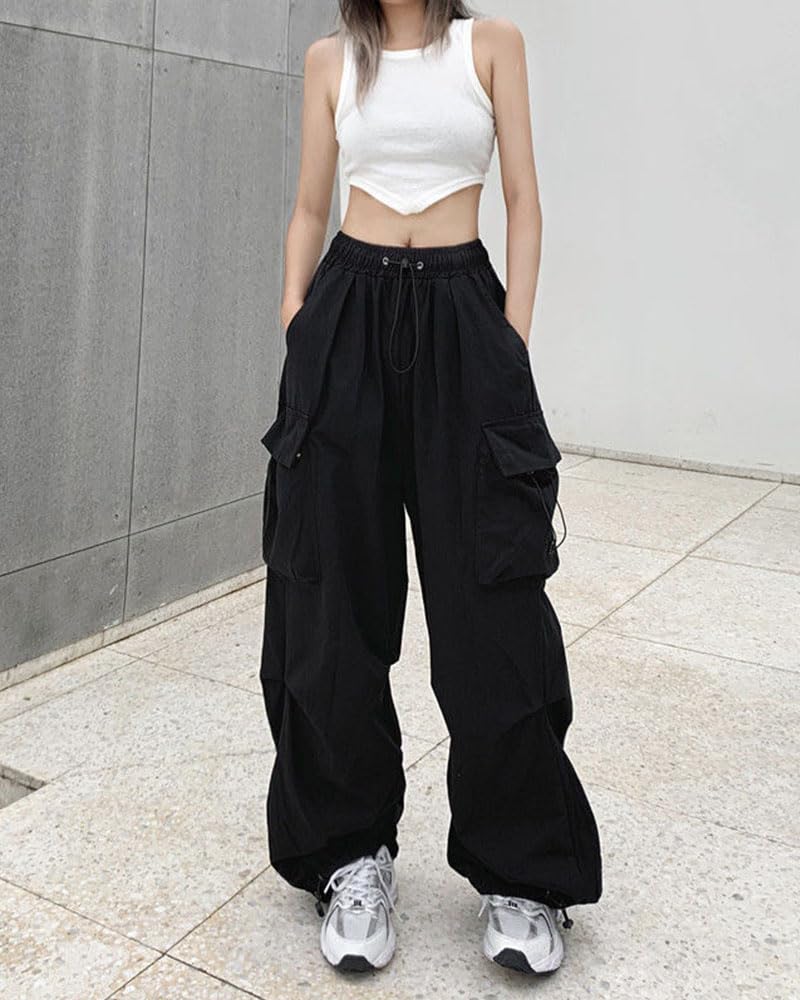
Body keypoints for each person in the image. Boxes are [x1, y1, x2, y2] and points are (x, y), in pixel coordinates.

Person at [258, 0, 602, 976]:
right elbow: (308, 206)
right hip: (344, 318)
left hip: (463, 316)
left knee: (492, 608)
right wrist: (297, 320)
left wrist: (509, 341)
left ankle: (522, 875)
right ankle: (349, 858)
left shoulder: (488, 46)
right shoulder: (330, 59)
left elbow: (524, 199)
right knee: (330, 607)